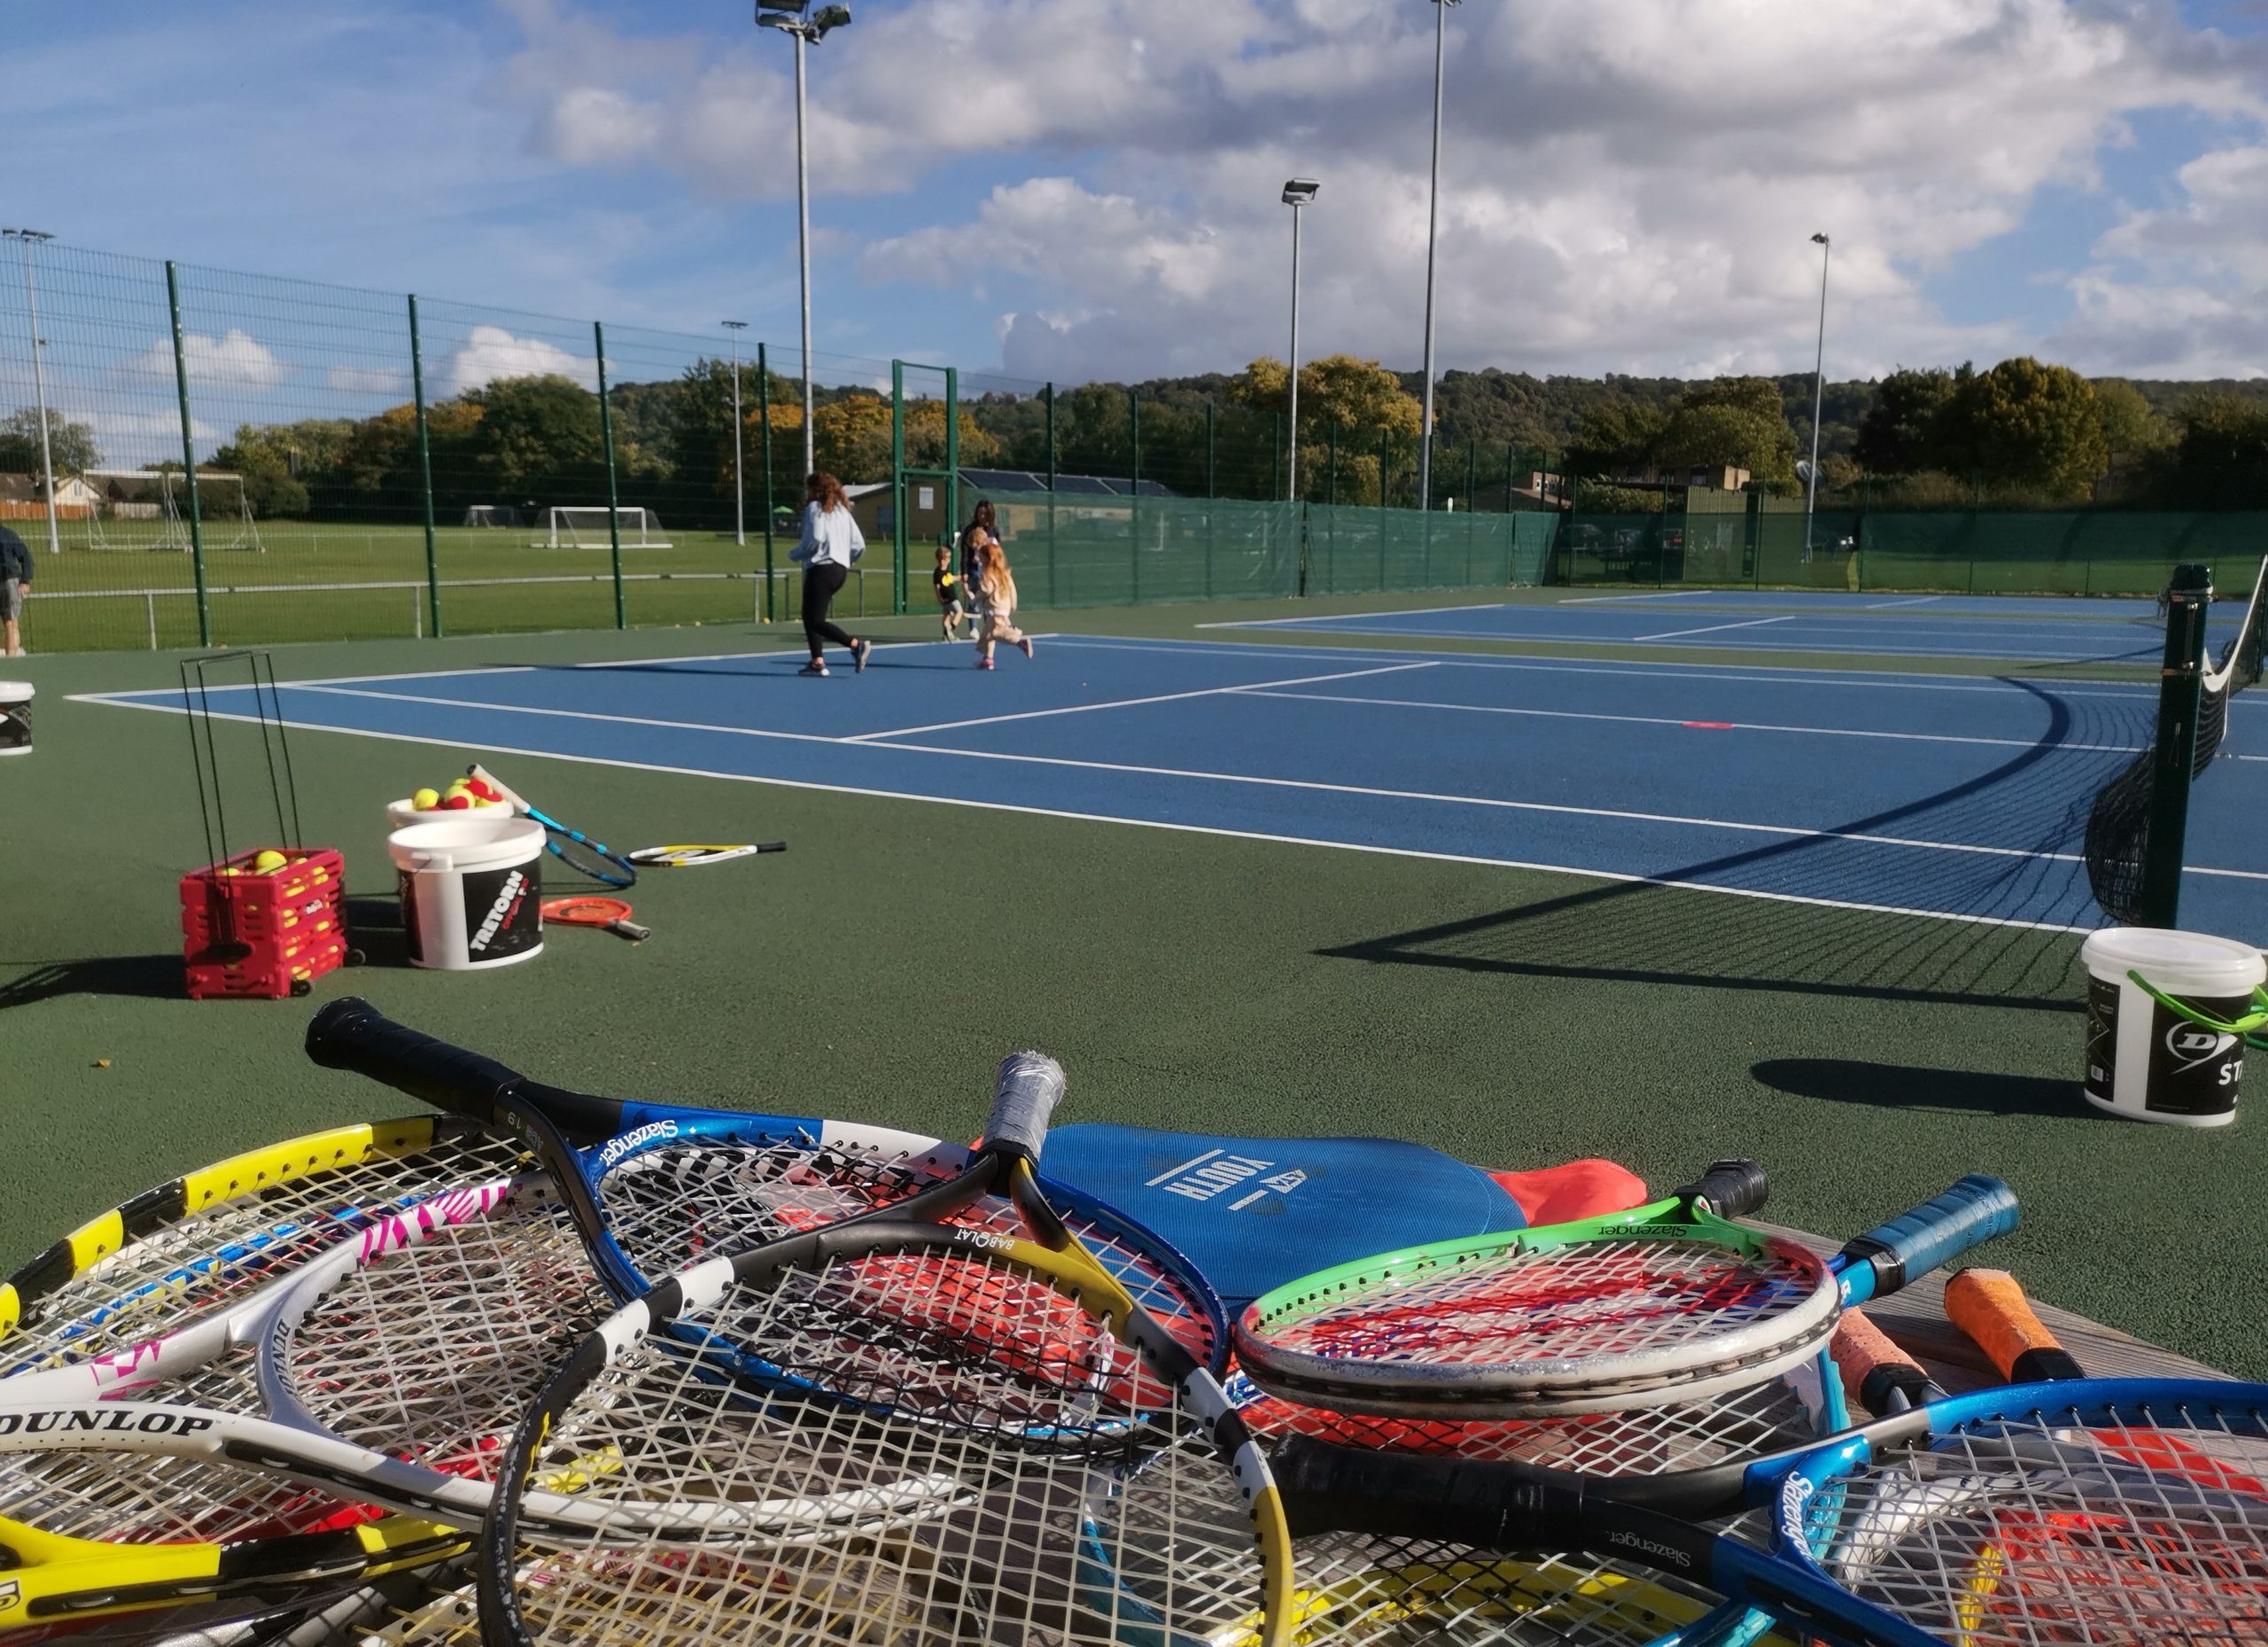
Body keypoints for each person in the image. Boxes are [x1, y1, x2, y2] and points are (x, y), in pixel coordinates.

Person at [787, 471, 872, 676]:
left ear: (816, 489)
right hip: (839, 571)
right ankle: (817, 662)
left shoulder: (815, 508)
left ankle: (856, 645)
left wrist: (795, 554)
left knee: (815, 620)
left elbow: (814, 539)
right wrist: (848, 559)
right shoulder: (843, 511)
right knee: (811, 615)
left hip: (821, 569)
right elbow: (859, 544)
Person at [972, 535, 1034, 671]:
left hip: (995, 610)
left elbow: (986, 591)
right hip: (1002, 609)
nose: (979, 558)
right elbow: (1013, 591)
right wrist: (1013, 606)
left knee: (996, 633)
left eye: (981, 555)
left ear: (987, 558)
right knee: (987, 635)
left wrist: (974, 601)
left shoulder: (988, 574)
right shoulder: (1005, 574)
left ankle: (1020, 641)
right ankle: (988, 660)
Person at [0, 522, 31, 658]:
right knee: (11, 621)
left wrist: (25, 580)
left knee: (11, 621)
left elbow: (26, 557)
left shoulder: (8, 535)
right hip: (6, 579)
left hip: (9, 580)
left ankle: (12, 656)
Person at [932, 544, 967, 640]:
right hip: (951, 597)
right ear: (943, 560)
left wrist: (960, 578)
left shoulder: (942, 571)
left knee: (946, 615)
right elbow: (937, 586)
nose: (950, 559)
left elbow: (950, 579)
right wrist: (939, 598)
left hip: (945, 599)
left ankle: (946, 634)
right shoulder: (938, 572)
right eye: (948, 557)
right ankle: (951, 629)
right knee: (959, 612)